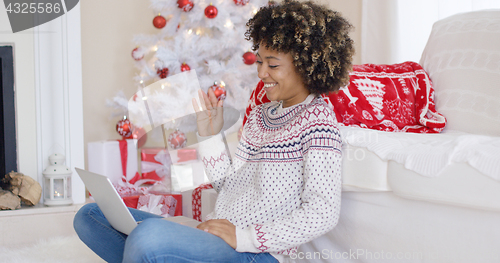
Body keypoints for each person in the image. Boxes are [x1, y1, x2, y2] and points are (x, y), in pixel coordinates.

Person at [73, 0, 354, 262]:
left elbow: (323, 212)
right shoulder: (260, 116)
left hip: (258, 253)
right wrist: (209, 136)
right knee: (91, 216)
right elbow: (228, 186)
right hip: (218, 237)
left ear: (307, 67)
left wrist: (245, 237)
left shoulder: (319, 126)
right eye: (259, 61)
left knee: (146, 237)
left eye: (273, 65)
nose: (261, 73)